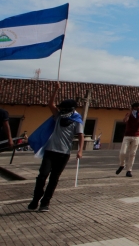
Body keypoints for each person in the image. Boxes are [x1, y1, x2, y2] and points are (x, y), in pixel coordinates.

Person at [28, 82, 83, 212]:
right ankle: (36, 198)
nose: (62, 110)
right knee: (42, 175)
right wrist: (56, 90)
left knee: (54, 178)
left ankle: (45, 202)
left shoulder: (77, 120)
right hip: (50, 151)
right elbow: (50, 105)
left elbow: (81, 135)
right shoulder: (58, 116)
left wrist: (80, 150)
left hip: (64, 153)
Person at [116, 102, 139, 177]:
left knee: (132, 154)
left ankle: (129, 170)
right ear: (132, 108)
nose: (137, 109)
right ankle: (122, 165)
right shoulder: (129, 114)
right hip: (127, 136)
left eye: (138, 108)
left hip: (136, 136)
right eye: (135, 108)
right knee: (122, 152)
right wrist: (130, 112)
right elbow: (125, 120)